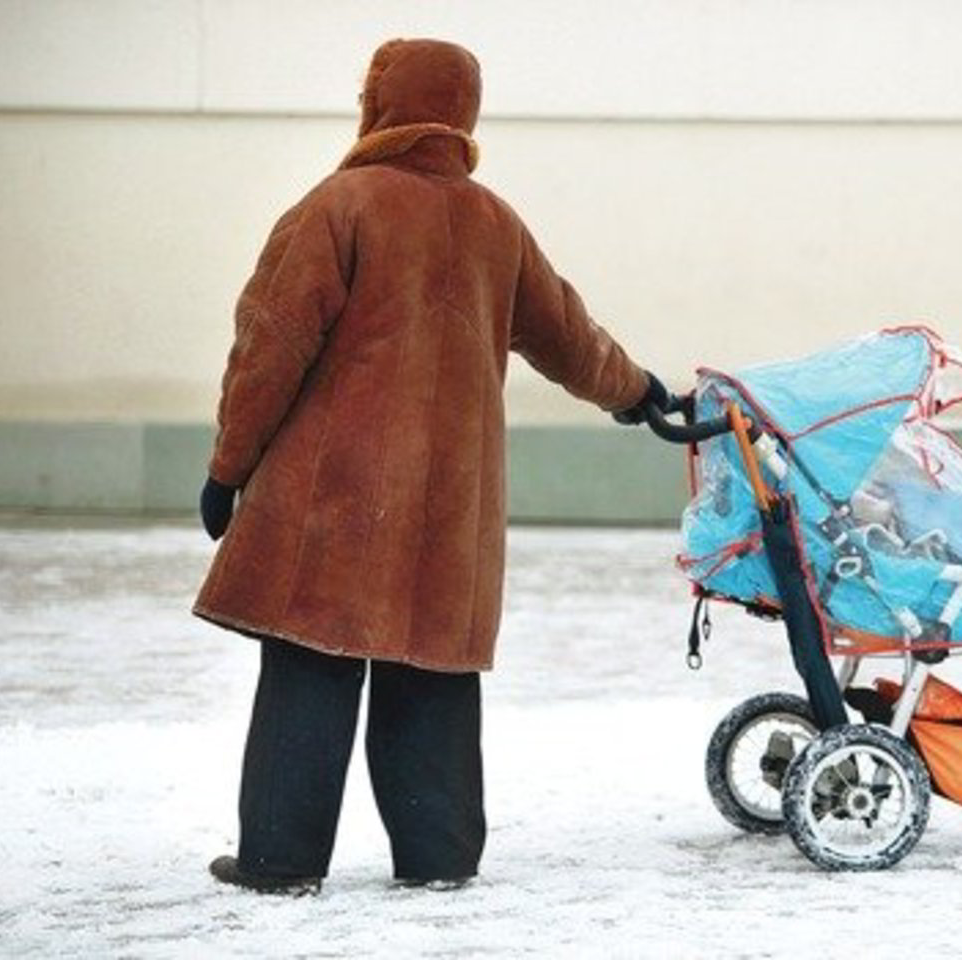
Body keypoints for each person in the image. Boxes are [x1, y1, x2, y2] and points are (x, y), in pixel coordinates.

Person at [194, 38, 670, 895]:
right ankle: (438, 859)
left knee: (312, 663)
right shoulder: (496, 225)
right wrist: (636, 392)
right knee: (432, 673)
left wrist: (229, 466)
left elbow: (269, 346)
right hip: (452, 508)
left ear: (379, 104)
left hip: (336, 498)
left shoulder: (339, 206)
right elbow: (569, 337)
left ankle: (280, 860)